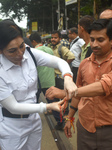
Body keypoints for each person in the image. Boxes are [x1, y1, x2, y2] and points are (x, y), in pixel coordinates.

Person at [0, 20, 77, 150]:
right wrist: (48, 106)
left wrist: (68, 78)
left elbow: (59, 62)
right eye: (12, 50)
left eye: (22, 46)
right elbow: (13, 107)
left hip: (34, 120)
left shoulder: (29, 53)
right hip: (12, 127)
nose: (20, 53)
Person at [64, 19, 112, 150]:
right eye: (92, 39)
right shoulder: (84, 64)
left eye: (100, 40)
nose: (94, 44)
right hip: (85, 129)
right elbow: (78, 92)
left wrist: (67, 92)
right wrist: (69, 119)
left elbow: (104, 86)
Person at [50, 30, 75, 130]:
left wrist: (64, 66)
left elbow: (71, 56)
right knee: (58, 97)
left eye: (55, 38)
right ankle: (61, 118)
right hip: (54, 77)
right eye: (52, 37)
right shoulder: (51, 48)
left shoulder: (61, 48)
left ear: (59, 39)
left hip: (60, 77)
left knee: (64, 98)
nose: (53, 39)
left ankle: (65, 120)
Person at [29, 31, 55, 111]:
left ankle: (32, 116)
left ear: (33, 41)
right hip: (50, 80)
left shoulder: (33, 51)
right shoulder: (49, 49)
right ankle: (60, 120)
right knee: (53, 102)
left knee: (33, 102)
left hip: (39, 82)